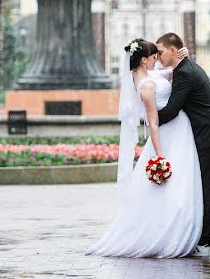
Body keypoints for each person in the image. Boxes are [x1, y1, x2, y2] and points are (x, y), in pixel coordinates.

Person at [87, 38, 203, 258]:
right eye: (152, 57)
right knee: (176, 184)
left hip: (177, 130)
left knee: (177, 184)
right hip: (170, 135)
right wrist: (160, 155)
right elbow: (153, 123)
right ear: (143, 60)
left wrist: (181, 56)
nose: (156, 60)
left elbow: (171, 73)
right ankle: (171, 233)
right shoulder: (147, 86)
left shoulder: (143, 76)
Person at [155, 32, 210, 257]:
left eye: (160, 52)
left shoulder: (185, 73)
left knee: (208, 189)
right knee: (202, 187)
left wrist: (149, 117)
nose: (157, 57)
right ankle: (202, 237)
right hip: (207, 135)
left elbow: (171, 110)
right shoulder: (185, 67)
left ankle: (205, 241)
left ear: (172, 50)